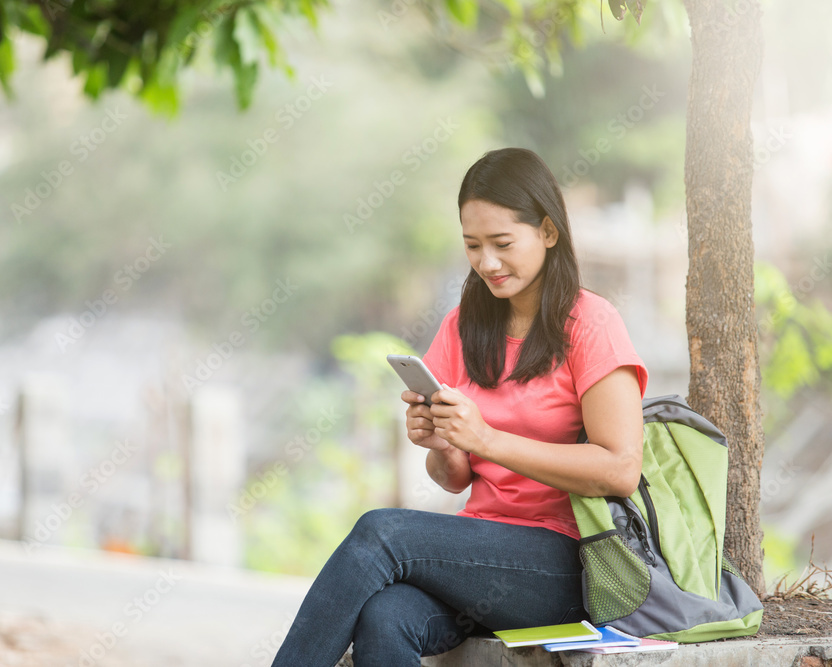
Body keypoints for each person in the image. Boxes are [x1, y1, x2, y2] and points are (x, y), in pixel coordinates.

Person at [271, 147, 649, 667]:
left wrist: (487, 439)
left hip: (563, 562)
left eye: (502, 243)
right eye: (473, 245)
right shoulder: (463, 325)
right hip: (477, 556)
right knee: (385, 616)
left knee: (381, 533)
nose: (487, 263)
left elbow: (621, 469)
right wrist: (442, 442)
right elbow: (452, 477)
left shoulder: (591, 324)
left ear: (548, 231)